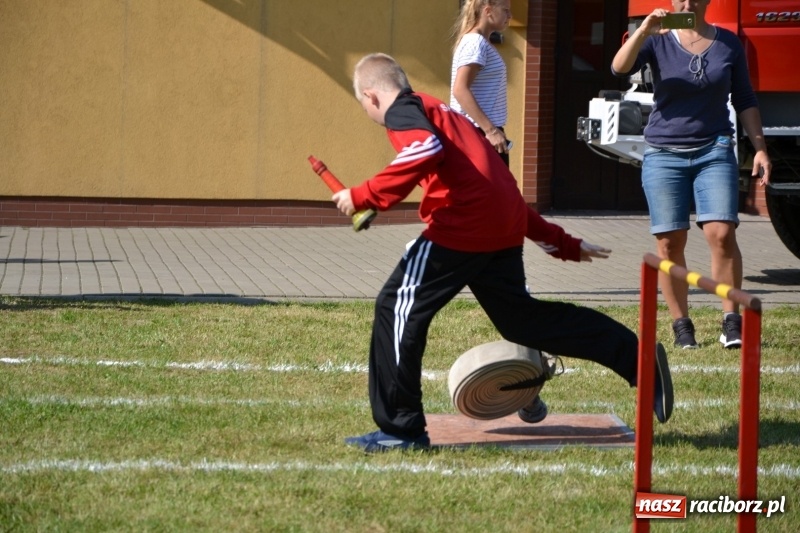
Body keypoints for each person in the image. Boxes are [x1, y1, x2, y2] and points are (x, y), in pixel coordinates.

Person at [333, 53, 673, 452]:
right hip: (499, 224)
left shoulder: (405, 110)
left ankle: (400, 429)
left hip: (463, 227)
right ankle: (638, 360)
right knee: (522, 322)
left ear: (371, 97)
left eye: (363, 106)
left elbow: (422, 150)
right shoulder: (445, 114)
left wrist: (362, 195)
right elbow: (499, 187)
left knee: (396, 308)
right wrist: (560, 242)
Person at [611, 0, 772, 349]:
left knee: (721, 232)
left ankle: (732, 322)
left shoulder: (728, 43)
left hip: (714, 149)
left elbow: (744, 98)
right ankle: (682, 326)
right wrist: (643, 31)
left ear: (707, 1)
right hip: (663, 152)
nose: (686, 3)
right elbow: (618, 67)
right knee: (669, 242)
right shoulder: (658, 39)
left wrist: (760, 148)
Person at [450, 0, 512, 166]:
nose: (510, 16)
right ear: (488, 11)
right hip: (478, 134)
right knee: (494, 191)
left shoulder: (481, 42)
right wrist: (491, 131)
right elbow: (460, 89)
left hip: (482, 134)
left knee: (499, 191)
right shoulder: (475, 43)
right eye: (505, 10)